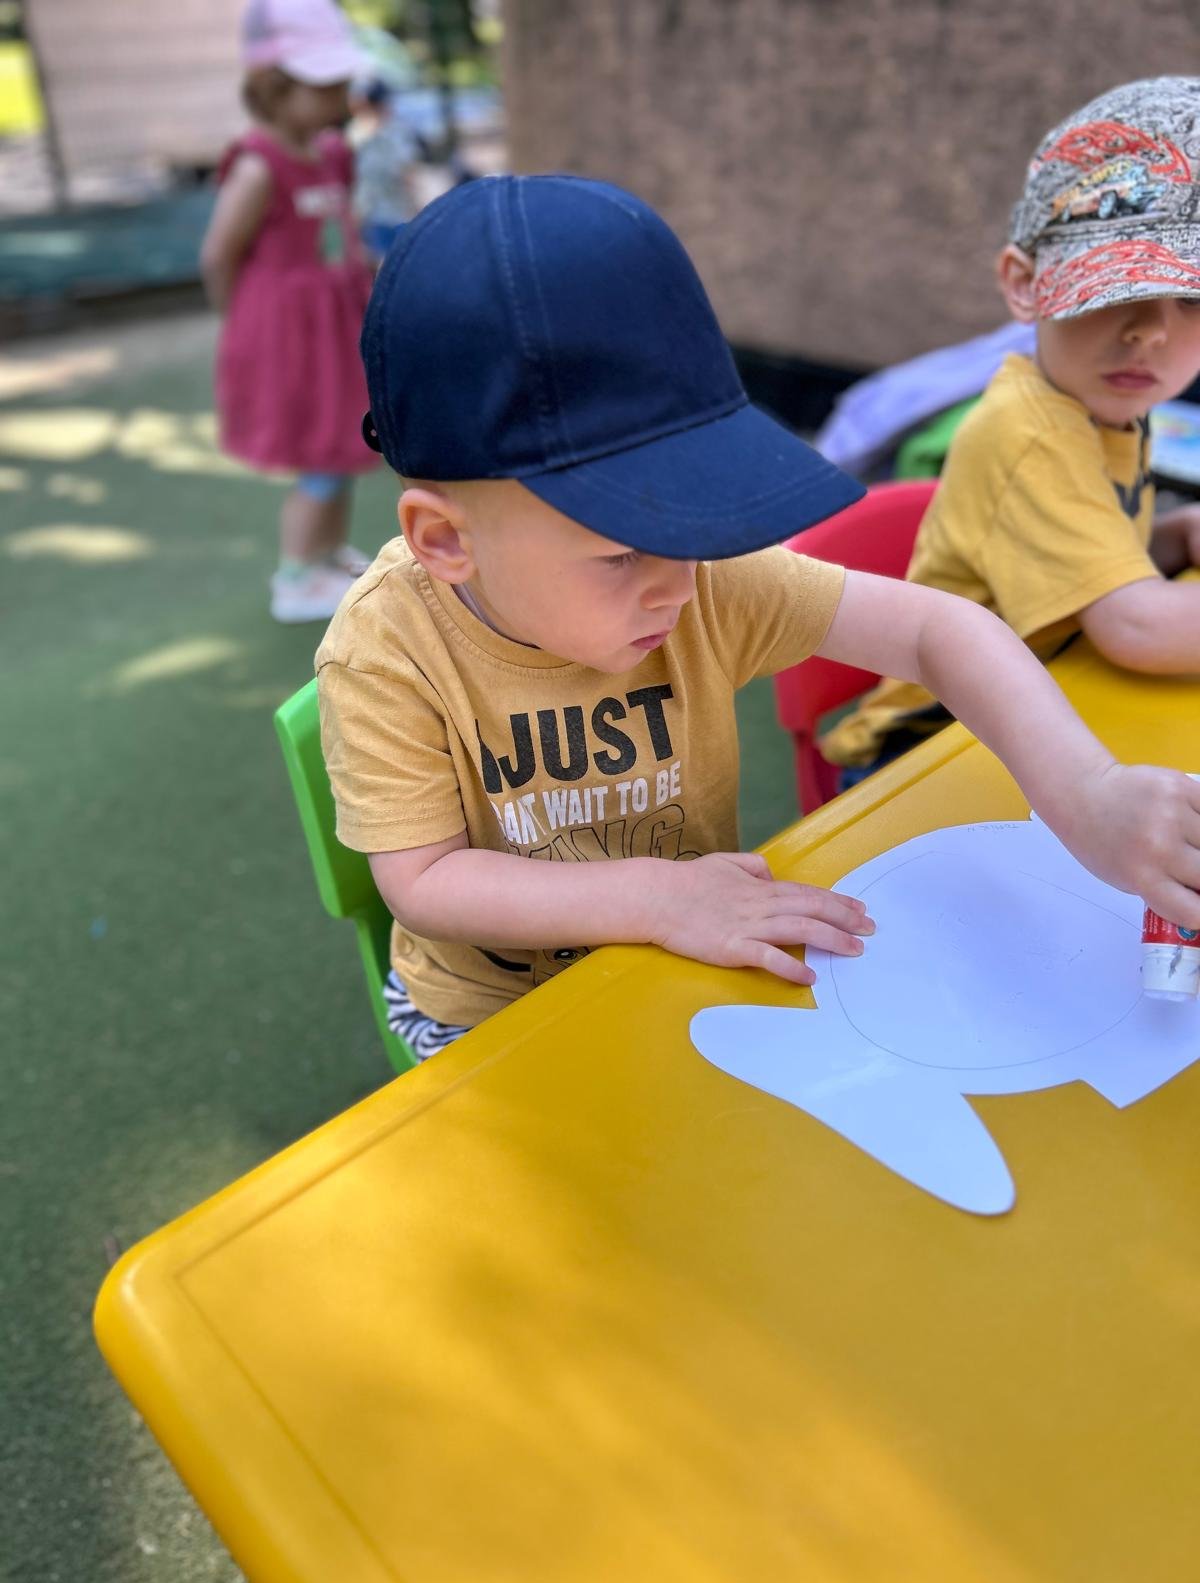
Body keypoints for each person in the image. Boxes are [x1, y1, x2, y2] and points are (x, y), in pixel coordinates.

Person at [315, 175, 1200, 1062]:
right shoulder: (387, 652)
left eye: (691, 521)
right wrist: (656, 899)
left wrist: (1087, 794)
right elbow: (427, 881)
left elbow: (938, 631)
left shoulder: (696, 579)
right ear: (446, 541)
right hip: (491, 1015)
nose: (676, 585)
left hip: (682, 951)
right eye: (621, 552)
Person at [823, 77, 1200, 776]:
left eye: (1192, 299)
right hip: (925, 753)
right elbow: (1135, 626)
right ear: (1027, 284)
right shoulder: (1032, 431)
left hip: (1031, 715)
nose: (1151, 331)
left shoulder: (1108, 404)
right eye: (1116, 288)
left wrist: (1174, 535)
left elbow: (1086, 559)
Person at [200, 0, 380, 624]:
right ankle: (297, 575)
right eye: (322, 87)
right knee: (320, 454)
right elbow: (220, 256)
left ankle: (327, 555)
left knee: (341, 442)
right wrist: (246, 328)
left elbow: (342, 231)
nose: (338, 98)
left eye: (340, 84)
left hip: (337, 327)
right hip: (291, 338)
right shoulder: (257, 168)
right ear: (274, 88)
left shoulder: (332, 153)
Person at [347, 78, 418, 263]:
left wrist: (415, 209)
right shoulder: (354, 133)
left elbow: (408, 172)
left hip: (396, 213)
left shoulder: (397, 132)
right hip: (368, 216)